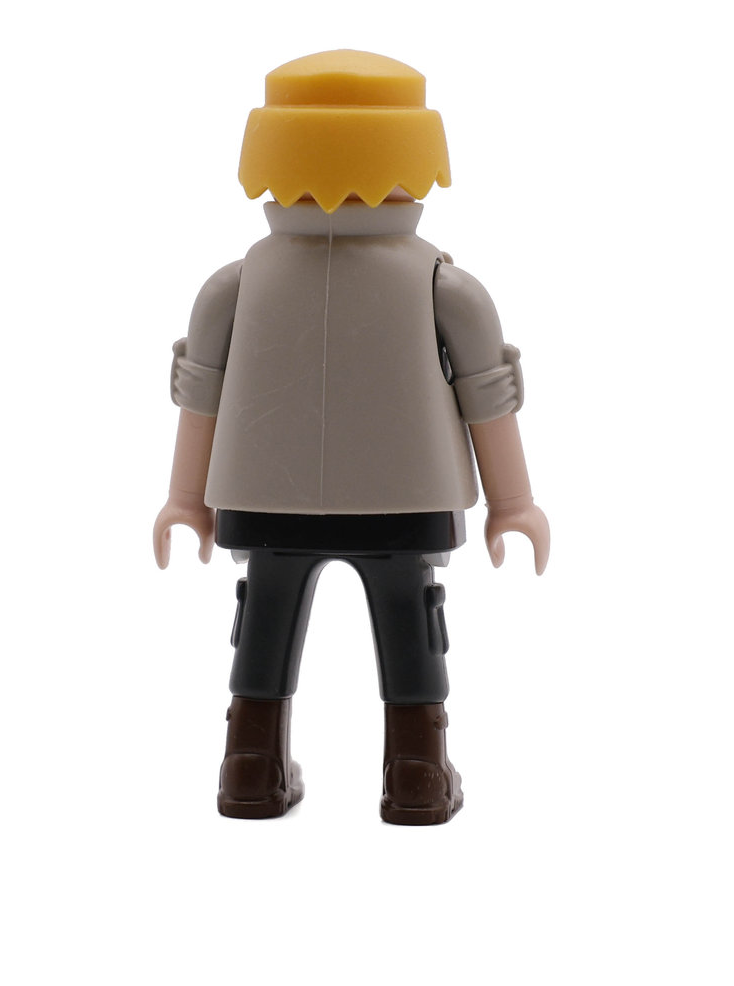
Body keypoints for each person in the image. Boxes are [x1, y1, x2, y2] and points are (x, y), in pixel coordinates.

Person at [153, 50, 549, 824]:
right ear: (419, 159)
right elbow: (487, 399)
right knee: (411, 621)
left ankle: (249, 765)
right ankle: (417, 771)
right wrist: (513, 504)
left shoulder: (234, 284)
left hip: (264, 496)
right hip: (405, 500)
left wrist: (184, 498)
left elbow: (198, 395)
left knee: (263, 618)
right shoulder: (446, 286)